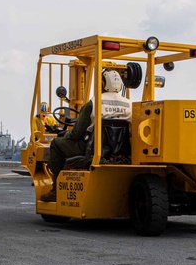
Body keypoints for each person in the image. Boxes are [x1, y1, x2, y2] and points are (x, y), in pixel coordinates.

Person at [40, 70, 132, 202]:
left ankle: (56, 189)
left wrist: (65, 135)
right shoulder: (129, 104)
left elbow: (77, 133)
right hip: (119, 152)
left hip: (91, 149)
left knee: (56, 143)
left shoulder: (94, 103)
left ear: (102, 83)